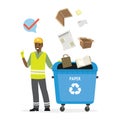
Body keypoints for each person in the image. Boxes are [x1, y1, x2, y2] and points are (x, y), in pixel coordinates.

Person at [20, 37, 52, 111]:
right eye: (36, 44)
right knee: (35, 92)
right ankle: (36, 107)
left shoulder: (44, 55)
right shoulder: (32, 54)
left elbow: (50, 65)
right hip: (34, 77)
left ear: (42, 45)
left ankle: (47, 107)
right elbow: (27, 65)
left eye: (39, 44)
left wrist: (58, 64)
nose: (37, 46)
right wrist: (22, 57)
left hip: (41, 77)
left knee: (44, 91)